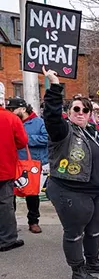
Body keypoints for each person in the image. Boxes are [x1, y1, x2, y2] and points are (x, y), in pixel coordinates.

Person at [43, 68, 99, 279]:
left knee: (94, 230)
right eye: (76, 109)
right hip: (70, 190)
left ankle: (93, 261)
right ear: (69, 111)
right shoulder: (63, 131)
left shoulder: (94, 131)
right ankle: (77, 270)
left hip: (96, 191)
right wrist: (55, 85)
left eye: (86, 109)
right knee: (74, 233)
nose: (81, 112)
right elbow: (52, 116)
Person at [6, 98, 48, 233]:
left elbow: (47, 138)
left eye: (13, 109)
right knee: (9, 195)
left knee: (32, 194)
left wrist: (25, 139)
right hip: (13, 163)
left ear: (23, 109)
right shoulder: (11, 121)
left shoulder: (38, 122)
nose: (11, 111)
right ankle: (10, 224)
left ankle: (33, 221)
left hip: (31, 164)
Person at [0, 96, 27, 252]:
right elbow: (22, 141)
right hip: (4, 167)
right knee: (5, 204)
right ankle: (7, 239)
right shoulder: (11, 118)